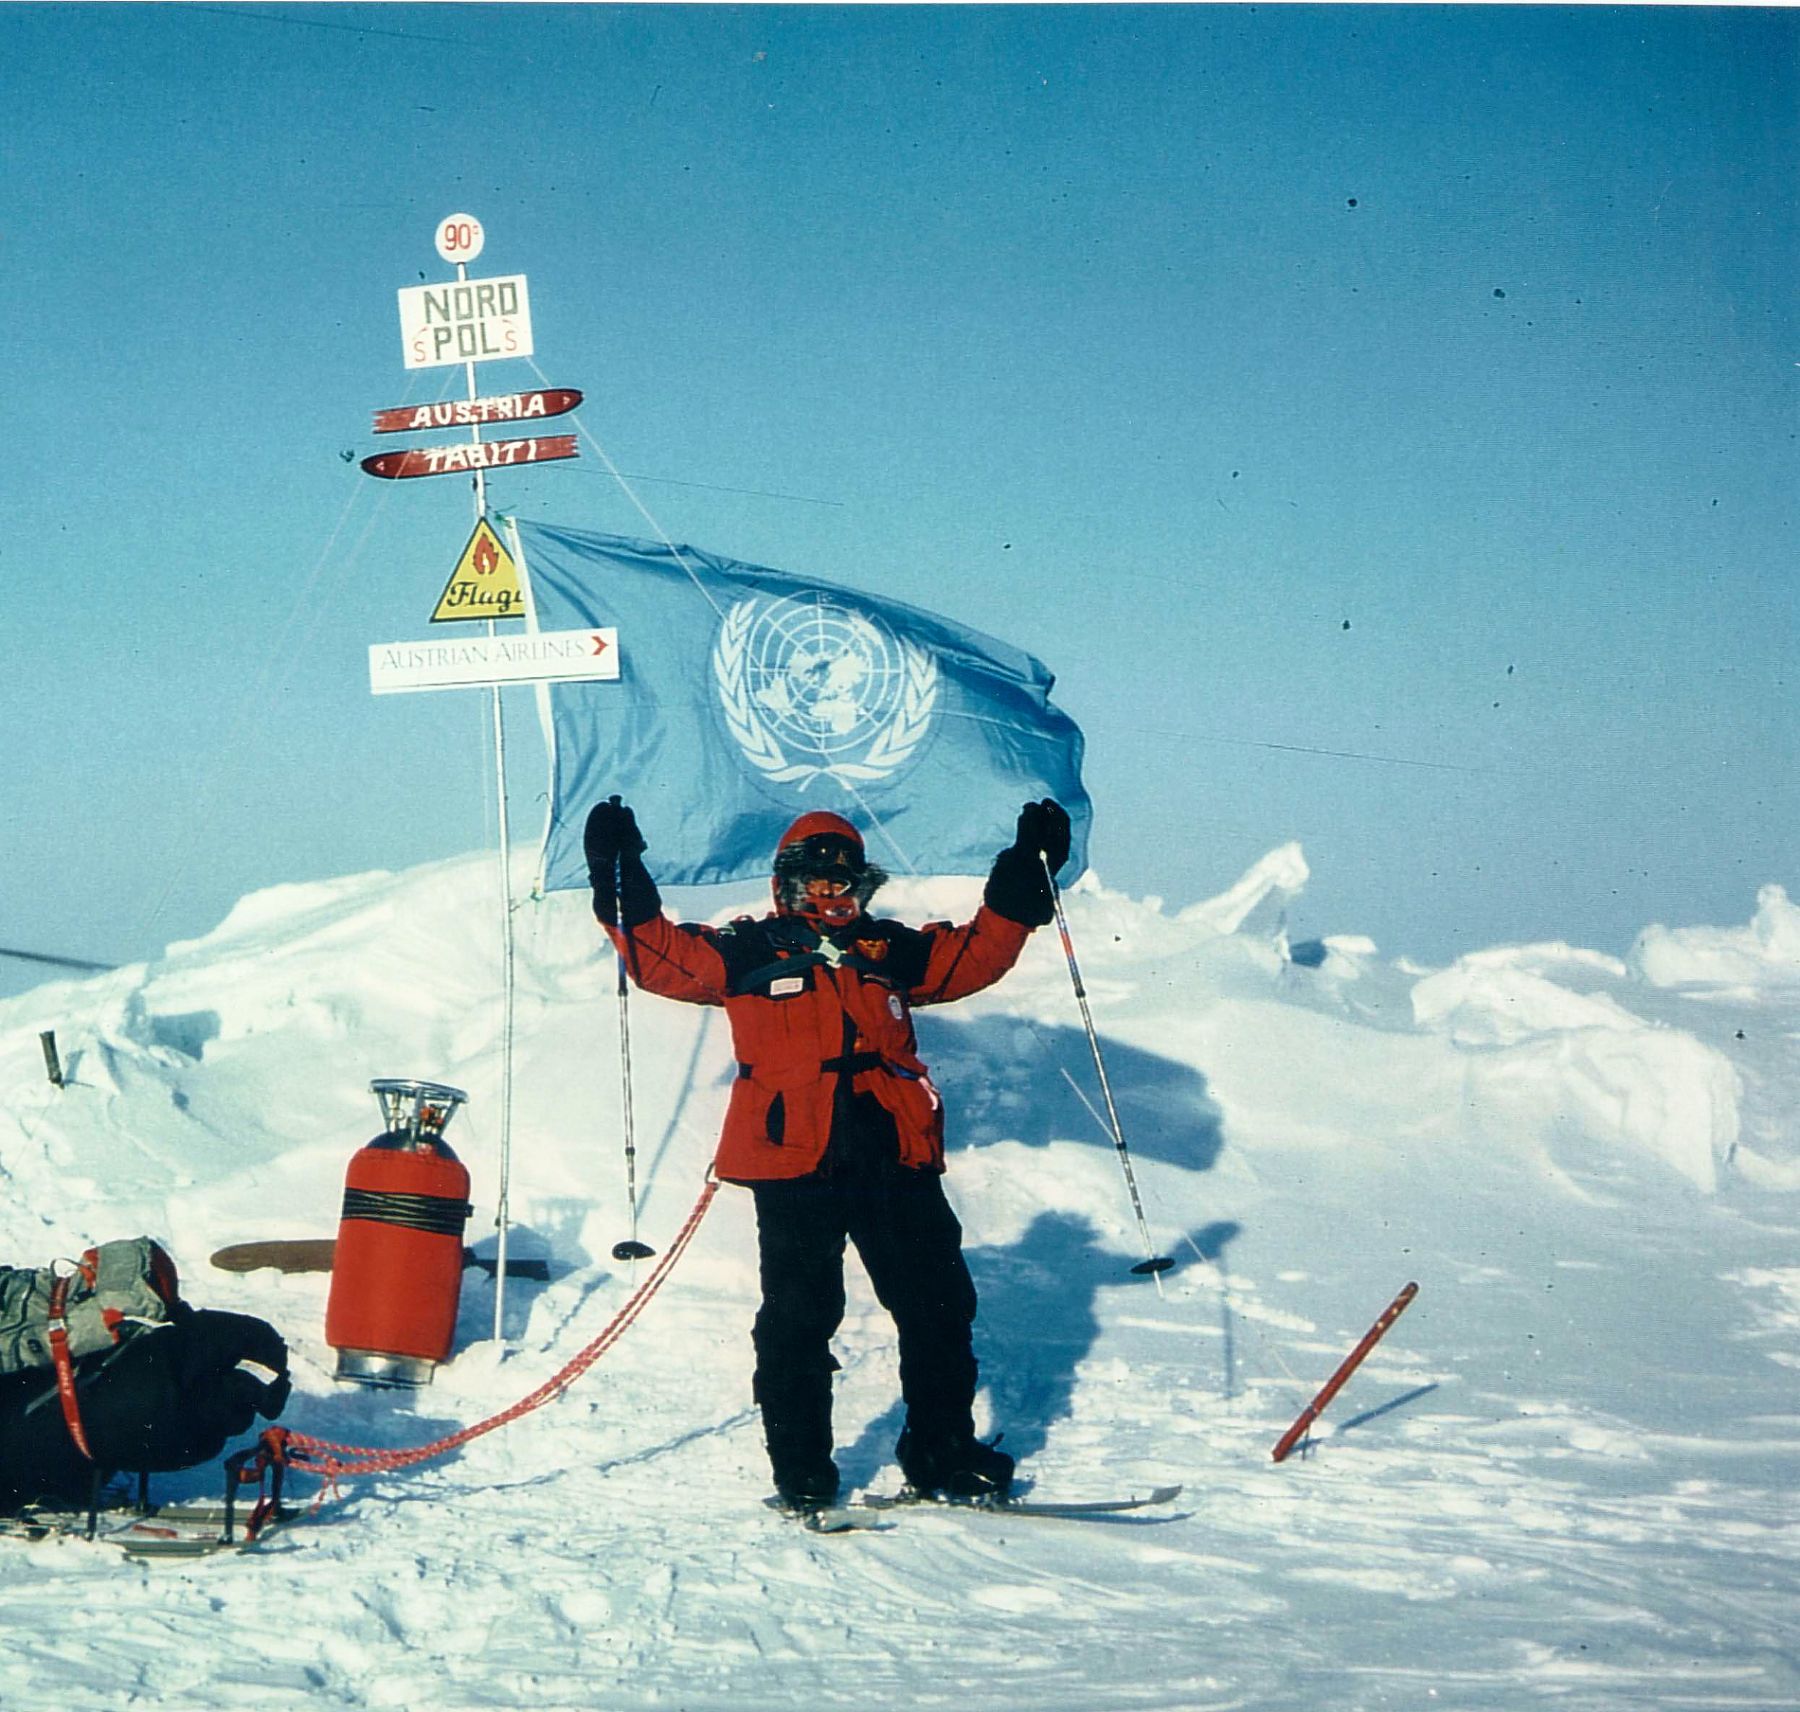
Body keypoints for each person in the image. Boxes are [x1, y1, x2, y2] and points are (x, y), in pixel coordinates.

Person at [583, 794, 1072, 1511]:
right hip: (793, 1162)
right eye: (816, 879)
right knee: (800, 1318)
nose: (831, 892)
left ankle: (942, 1453)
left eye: (843, 879)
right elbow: (657, 957)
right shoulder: (746, 949)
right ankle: (803, 1470)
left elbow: (974, 956)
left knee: (938, 1309)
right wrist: (617, 868)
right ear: (787, 883)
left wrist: (1023, 876)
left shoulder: (889, 950)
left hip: (893, 1156)